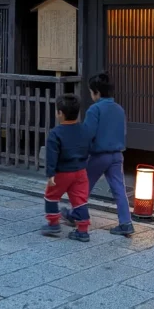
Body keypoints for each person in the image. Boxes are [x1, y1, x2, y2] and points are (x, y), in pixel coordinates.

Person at [82, 72, 134, 236]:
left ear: (96, 92)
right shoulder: (119, 109)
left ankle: (78, 215)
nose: (91, 95)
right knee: (119, 189)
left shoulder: (94, 109)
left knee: (84, 186)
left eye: (91, 91)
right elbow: (123, 131)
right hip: (117, 155)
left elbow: (88, 133)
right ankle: (126, 222)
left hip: (99, 155)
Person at [41, 94, 92, 242]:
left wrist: (50, 174)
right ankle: (83, 231)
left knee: (51, 196)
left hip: (62, 172)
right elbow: (88, 147)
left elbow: (52, 156)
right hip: (80, 171)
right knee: (80, 200)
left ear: (60, 113)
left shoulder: (56, 133)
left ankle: (53, 223)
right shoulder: (84, 130)